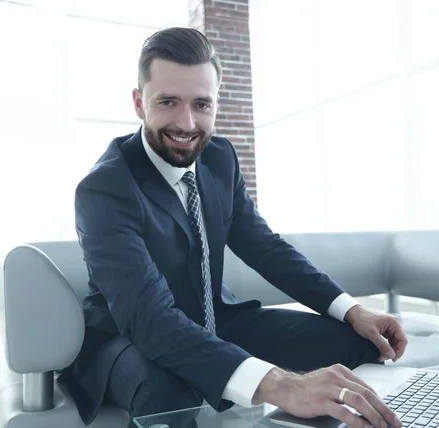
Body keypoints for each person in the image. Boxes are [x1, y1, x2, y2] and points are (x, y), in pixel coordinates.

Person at [60, 27, 407, 428]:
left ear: (216, 104)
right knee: (168, 393)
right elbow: (150, 319)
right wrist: (283, 385)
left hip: (216, 321)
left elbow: (266, 248)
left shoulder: (220, 158)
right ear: (139, 103)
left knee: (357, 344)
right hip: (127, 335)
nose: (186, 123)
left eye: (201, 104)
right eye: (168, 102)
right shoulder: (105, 188)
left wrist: (353, 311)